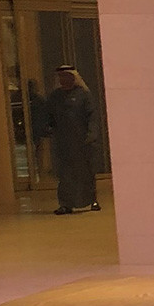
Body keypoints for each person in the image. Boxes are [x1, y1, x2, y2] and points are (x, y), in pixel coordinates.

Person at [47, 65, 101, 215]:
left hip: (82, 142)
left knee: (86, 172)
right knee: (65, 175)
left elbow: (92, 117)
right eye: (61, 77)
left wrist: (91, 134)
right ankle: (65, 204)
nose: (63, 79)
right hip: (63, 143)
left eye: (66, 76)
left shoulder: (84, 95)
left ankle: (92, 200)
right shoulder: (55, 97)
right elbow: (50, 117)